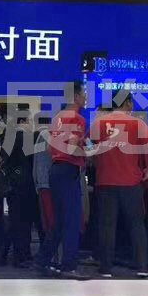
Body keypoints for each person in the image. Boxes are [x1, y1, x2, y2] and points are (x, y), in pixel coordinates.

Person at [90, 90, 148, 278]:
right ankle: (142, 266)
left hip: (105, 181)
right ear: (128, 102)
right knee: (136, 225)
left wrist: (98, 160)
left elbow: (88, 146)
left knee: (107, 226)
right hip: (131, 182)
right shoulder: (137, 123)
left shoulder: (99, 123)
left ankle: (106, 268)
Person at [35, 81, 89, 280]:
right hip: (68, 170)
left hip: (56, 170)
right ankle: (69, 266)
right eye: (83, 93)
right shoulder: (77, 118)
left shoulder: (57, 118)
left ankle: (42, 260)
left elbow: (54, 148)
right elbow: (72, 147)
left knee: (60, 220)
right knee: (72, 221)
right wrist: (90, 152)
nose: (86, 97)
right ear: (75, 96)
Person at [0, 103, 37, 268]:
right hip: (27, 183)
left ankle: (12, 255)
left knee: (16, 221)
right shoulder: (28, 137)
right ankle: (21, 256)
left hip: (13, 183)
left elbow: (2, 158)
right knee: (24, 222)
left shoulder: (9, 136)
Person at [32, 114, 53, 240]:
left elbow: (37, 162)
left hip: (43, 183)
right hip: (52, 183)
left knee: (48, 220)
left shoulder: (40, 136)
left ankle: (48, 249)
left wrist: (37, 182)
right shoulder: (51, 135)